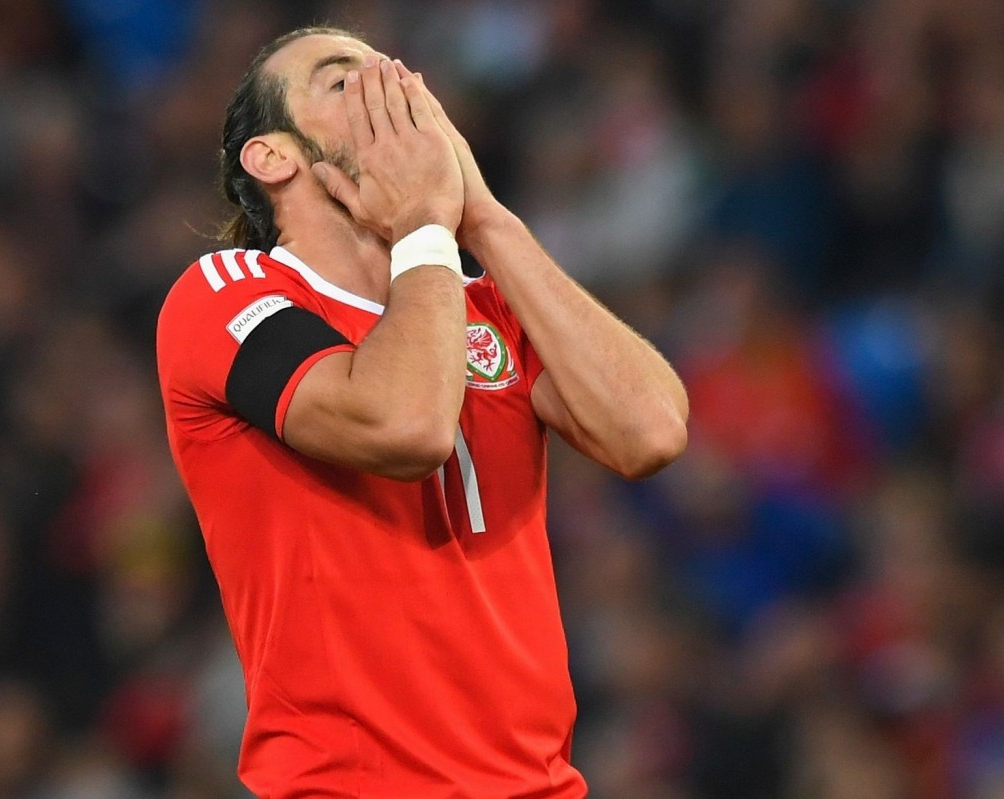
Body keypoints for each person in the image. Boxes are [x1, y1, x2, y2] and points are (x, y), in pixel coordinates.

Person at [156, 26, 689, 798]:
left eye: (394, 75)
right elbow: (406, 425)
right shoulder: (225, 293)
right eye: (344, 80)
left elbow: (652, 431)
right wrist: (422, 227)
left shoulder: (485, 302)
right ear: (272, 157)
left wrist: (485, 219)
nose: (393, 90)